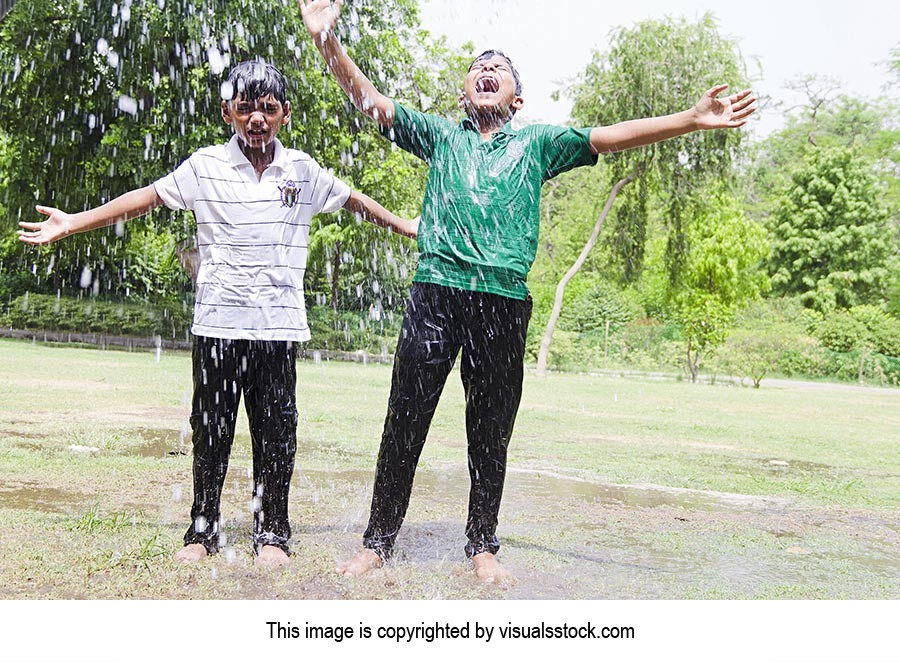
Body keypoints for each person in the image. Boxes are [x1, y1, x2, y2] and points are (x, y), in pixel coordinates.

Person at [300, 0, 756, 582]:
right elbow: (371, 101)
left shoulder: (538, 143)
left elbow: (610, 136)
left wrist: (689, 119)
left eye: (500, 67)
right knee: (404, 421)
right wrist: (326, 43)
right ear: (464, 90)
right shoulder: (439, 135)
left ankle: (483, 544)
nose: (486, 69)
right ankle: (377, 541)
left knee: (490, 430)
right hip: (435, 295)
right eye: (476, 65)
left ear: (516, 98)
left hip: (503, 303)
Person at [18, 60, 417, 567]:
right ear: (228, 111)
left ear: (285, 115)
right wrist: (75, 223)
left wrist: (403, 225)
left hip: (278, 328)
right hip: (217, 326)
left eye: (268, 108)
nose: (257, 118)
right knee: (212, 431)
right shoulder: (204, 165)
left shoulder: (301, 171)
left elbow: (353, 199)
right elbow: (145, 198)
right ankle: (202, 531)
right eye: (246, 107)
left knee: (277, 434)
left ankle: (272, 535)